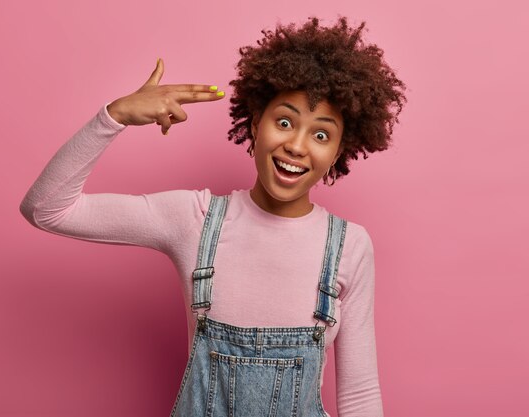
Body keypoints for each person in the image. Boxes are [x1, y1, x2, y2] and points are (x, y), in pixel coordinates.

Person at [20, 16, 407, 417]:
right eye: (285, 122)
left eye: (321, 134)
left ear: (340, 151)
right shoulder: (196, 218)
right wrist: (113, 116)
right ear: (256, 124)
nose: (296, 145)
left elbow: (360, 396)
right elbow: (47, 208)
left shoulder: (349, 246)